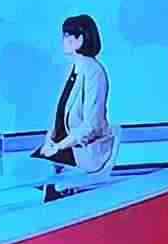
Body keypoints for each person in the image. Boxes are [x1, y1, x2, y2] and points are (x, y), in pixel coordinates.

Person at [32, 13, 116, 189]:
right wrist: (50, 140)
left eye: (67, 35)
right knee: (32, 170)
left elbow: (91, 126)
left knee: (37, 174)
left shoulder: (94, 73)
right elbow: (60, 113)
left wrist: (58, 147)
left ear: (80, 40)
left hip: (85, 150)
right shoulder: (74, 68)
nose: (63, 40)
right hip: (67, 145)